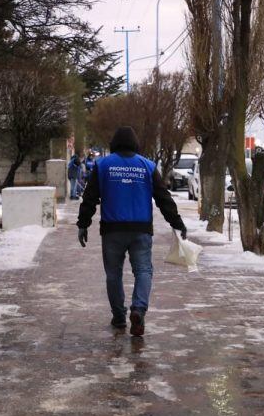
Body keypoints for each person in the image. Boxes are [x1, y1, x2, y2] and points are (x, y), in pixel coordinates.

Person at [77, 126, 187, 336]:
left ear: (114, 144)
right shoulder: (147, 166)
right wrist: (177, 222)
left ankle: (119, 317)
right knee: (143, 271)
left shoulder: (103, 166)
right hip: (141, 229)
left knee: (113, 274)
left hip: (112, 230)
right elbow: (163, 198)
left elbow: (89, 198)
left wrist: (83, 224)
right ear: (135, 143)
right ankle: (138, 309)